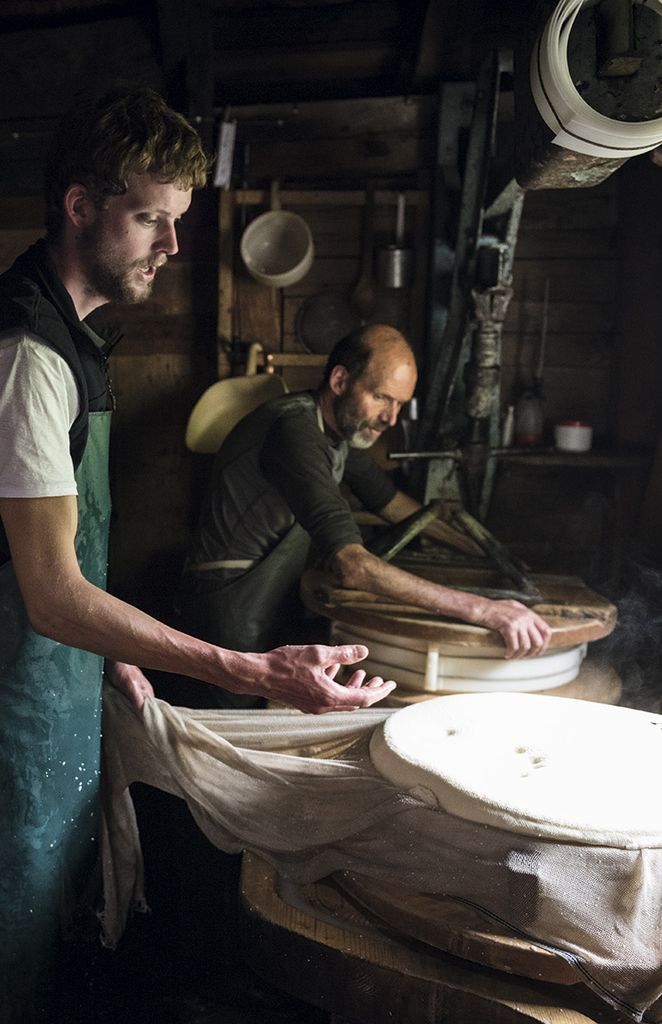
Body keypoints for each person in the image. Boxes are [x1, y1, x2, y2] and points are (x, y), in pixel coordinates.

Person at [0, 86, 394, 1024]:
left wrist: (119, 650)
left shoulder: (82, 341)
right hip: (13, 696)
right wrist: (247, 665)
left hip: (58, 684)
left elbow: (69, 552)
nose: (172, 248)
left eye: (178, 223)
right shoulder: (27, 357)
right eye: (150, 219)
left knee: (56, 920)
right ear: (80, 206)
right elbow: (50, 591)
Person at [176, 323, 552, 708]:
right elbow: (353, 566)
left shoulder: (338, 433)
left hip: (262, 605)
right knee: (225, 740)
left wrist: (485, 551)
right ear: (339, 380)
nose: (391, 418)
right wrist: (484, 610)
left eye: (401, 404)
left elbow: (391, 504)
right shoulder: (294, 431)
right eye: (381, 398)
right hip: (225, 613)